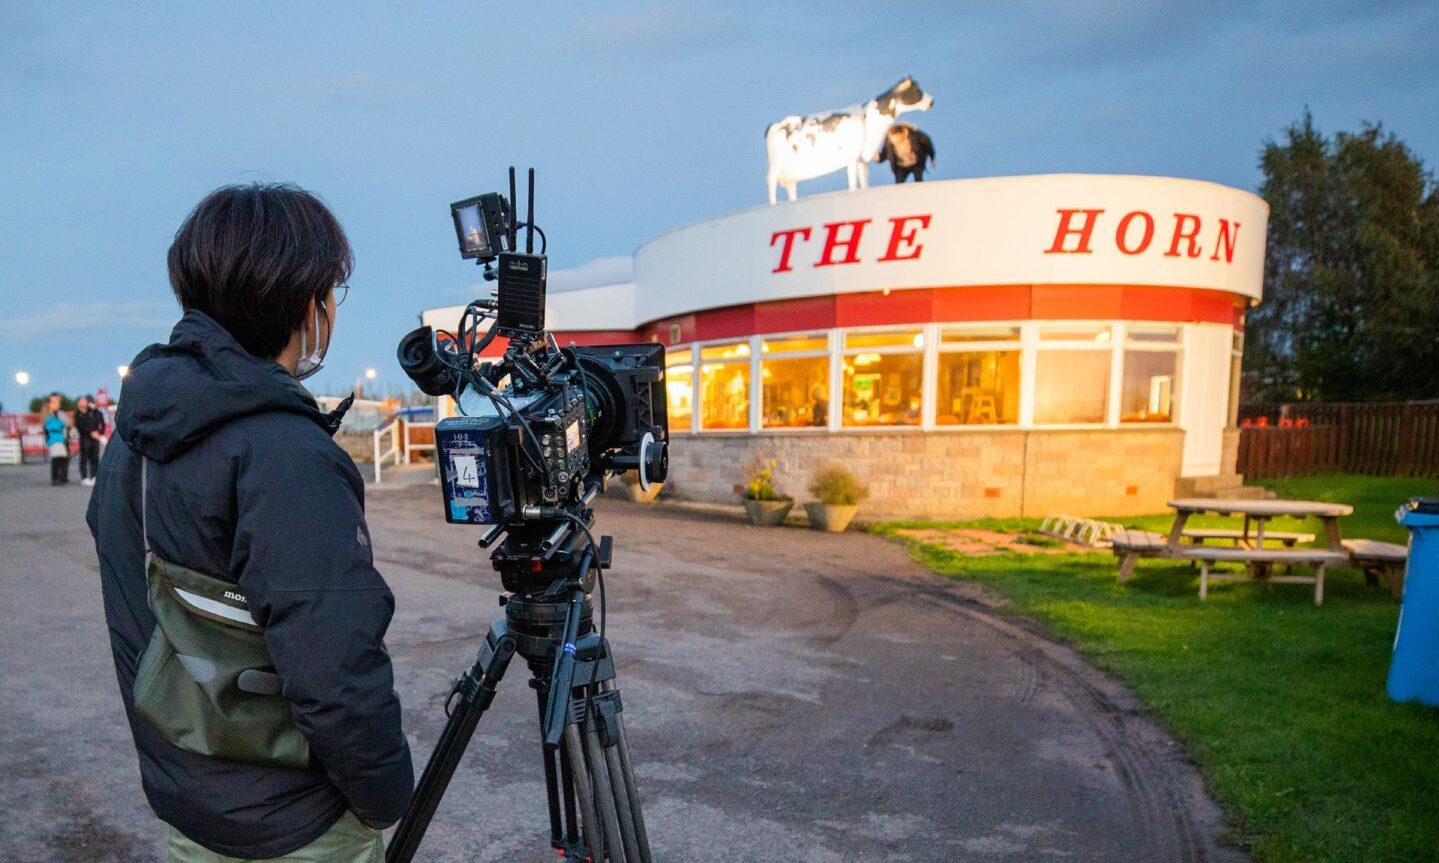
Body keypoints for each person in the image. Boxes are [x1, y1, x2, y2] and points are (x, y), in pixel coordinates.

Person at [86, 183, 413, 862]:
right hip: (296, 824)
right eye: (331, 291)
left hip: (190, 802)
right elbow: (335, 670)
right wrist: (383, 798)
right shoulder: (284, 451)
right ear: (305, 301)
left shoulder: (135, 435)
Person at [74, 394, 106, 487]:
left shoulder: (93, 412)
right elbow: (81, 426)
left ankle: (94, 476)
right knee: (84, 458)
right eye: (82, 400)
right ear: (78, 403)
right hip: (85, 439)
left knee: (95, 458)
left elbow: (99, 422)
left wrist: (99, 434)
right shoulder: (78, 414)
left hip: (95, 439)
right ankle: (84, 478)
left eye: (86, 401)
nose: (85, 402)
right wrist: (91, 433)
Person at [43, 392, 70, 485]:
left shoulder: (61, 412)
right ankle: (55, 478)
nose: (57, 402)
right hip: (54, 439)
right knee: (56, 459)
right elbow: (50, 426)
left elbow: (67, 423)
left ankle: (63, 477)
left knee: (63, 458)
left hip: (63, 438)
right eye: (55, 401)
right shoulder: (48, 414)